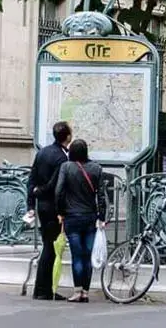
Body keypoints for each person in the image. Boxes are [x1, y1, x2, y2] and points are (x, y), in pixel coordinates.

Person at [55, 139, 106, 303]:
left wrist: (60, 212)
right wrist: (102, 217)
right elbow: (102, 196)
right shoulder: (96, 168)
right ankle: (86, 291)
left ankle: (77, 291)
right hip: (90, 217)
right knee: (88, 256)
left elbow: (59, 191)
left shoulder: (66, 167)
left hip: (71, 217)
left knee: (77, 256)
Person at [27, 121, 72, 301]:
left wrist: (31, 203)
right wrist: (61, 211)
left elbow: (31, 179)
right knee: (50, 248)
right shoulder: (61, 158)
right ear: (68, 136)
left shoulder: (43, 152)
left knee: (48, 246)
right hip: (53, 207)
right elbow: (56, 185)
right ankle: (43, 290)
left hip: (42, 206)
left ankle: (42, 288)